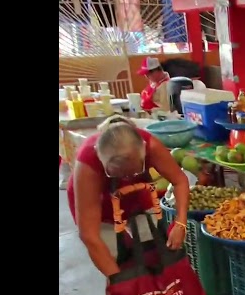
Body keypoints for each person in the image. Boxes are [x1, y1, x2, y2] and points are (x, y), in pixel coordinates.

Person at [68, 116, 191, 284]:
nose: (125, 178)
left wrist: (181, 223)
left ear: (144, 151)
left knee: (153, 252)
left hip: (136, 195)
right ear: (99, 156)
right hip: (99, 205)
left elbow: (180, 181)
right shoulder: (87, 164)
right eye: (117, 173)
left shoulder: (151, 146)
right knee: (116, 260)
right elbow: (89, 235)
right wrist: (120, 283)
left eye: (133, 172)